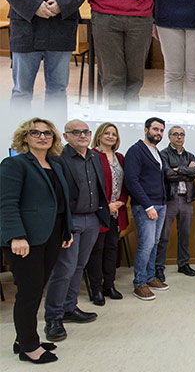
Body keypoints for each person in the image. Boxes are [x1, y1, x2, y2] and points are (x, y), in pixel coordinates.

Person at [0, 118, 73, 364]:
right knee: (29, 293)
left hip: (51, 235)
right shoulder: (14, 164)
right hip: (25, 238)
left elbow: (61, 203)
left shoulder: (55, 164)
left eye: (47, 133)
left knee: (35, 290)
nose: (42, 137)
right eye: (36, 132)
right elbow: (6, 203)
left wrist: (67, 231)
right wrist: (16, 236)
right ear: (25, 137)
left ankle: (24, 338)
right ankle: (29, 347)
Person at [44, 120, 109, 342]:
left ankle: (70, 308)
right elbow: (56, 196)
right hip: (71, 221)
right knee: (64, 269)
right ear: (66, 136)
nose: (82, 135)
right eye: (76, 132)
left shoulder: (94, 157)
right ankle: (53, 317)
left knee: (79, 266)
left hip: (92, 219)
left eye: (86, 132)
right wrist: (63, 226)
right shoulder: (59, 159)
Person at [124, 117, 168, 301]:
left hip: (161, 204)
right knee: (146, 244)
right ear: (146, 129)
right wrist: (148, 205)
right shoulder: (136, 150)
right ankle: (139, 283)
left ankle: (150, 277)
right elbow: (131, 181)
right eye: (155, 129)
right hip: (146, 206)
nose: (158, 133)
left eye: (161, 130)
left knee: (155, 243)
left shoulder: (157, 151)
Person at [86, 122, 128, 306]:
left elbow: (127, 184)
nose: (111, 136)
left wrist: (120, 202)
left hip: (117, 211)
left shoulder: (120, 157)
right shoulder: (92, 155)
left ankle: (109, 285)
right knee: (97, 250)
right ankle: (96, 289)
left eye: (114, 134)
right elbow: (90, 186)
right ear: (99, 135)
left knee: (112, 248)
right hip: (99, 212)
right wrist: (106, 205)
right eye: (107, 133)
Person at [155, 125, 195, 281]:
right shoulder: (163, 154)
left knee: (185, 234)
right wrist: (186, 170)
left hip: (186, 199)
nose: (179, 137)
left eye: (182, 134)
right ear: (169, 137)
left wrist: (178, 170)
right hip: (170, 200)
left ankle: (183, 264)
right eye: (175, 134)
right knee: (164, 236)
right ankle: (159, 267)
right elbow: (167, 174)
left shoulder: (190, 155)